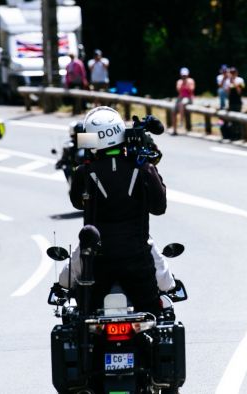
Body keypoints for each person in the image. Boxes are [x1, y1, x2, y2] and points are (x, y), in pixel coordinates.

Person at [59, 107, 170, 315]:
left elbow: (76, 202)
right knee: (157, 315)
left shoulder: (85, 171)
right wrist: (148, 166)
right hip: (138, 258)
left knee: (81, 316)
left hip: (96, 262)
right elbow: (159, 207)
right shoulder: (143, 168)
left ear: (90, 137)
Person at [221, 67, 245, 140]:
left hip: (238, 102)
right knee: (232, 120)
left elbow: (239, 92)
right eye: (231, 72)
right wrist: (228, 84)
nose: (232, 74)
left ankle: (240, 135)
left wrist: (234, 82)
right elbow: (227, 93)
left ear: (236, 73)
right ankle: (233, 135)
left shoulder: (240, 80)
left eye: (233, 72)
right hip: (231, 102)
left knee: (238, 119)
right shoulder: (228, 81)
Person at [172, 67, 195, 135]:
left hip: (188, 98)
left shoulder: (191, 81)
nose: (184, 77)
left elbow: (191, 90)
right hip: (181, 97)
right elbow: (178, 90)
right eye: (183, 75)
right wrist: (183, 84)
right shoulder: (179, 82)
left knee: (182, 103)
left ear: (188, 75)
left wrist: (186, 83)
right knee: (173, 111)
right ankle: (174, 130)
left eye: (185, 75)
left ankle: (181, 121)